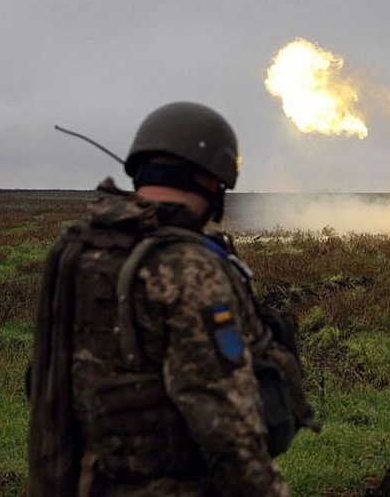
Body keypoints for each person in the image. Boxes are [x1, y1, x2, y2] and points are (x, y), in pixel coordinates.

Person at [28, 102, 293, 496]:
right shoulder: (187, 268)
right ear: (209, 179)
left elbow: (44, 386)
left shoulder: (75, 250)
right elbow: (228, 430)